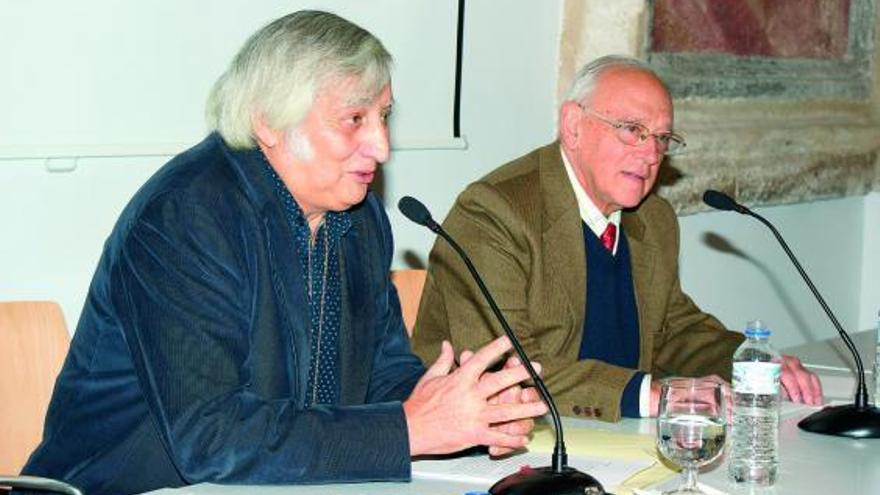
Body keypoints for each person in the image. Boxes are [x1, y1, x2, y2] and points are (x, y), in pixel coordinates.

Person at [21, 11, 547, 495]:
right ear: (268, 122)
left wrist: (467, 414)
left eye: (384, 116)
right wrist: (410, 428)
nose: (382, 146)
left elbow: (381, 380)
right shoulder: (186, 216)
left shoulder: (361, 219)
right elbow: (210, 436)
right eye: (354, 119)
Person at [411, 55, 823, 423]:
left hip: (618, 441)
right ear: (573, 126)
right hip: (502, 444)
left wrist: (749, 364)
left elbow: (673, 330)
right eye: (632, 130)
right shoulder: (494, 211)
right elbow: (509, 367)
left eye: (662, 139)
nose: (650, 155)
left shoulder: (653, 218)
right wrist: (650, 394)